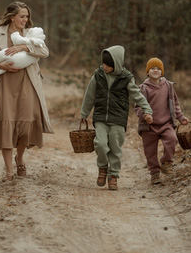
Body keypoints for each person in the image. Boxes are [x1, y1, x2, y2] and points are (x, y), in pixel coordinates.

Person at [0, 2, 54, 182]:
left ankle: (19, 158)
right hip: (5, 84)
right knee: (6, 124)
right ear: (12, 17)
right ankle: (9, 171)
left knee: (26, 126)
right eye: (22, 16)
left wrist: (23, 47)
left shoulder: (30, 34)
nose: (25, 20)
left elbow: (45, 51)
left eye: (27, 16)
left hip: (27, 82)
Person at [80, 45, 153, 191]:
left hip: (118, 117)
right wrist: (84, 113)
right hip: (100, 116)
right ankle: (102, 168)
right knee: (100, 144)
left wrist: (147, 109)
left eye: (108, 65)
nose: (104, 66)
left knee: (115, 147)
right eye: (103, 64)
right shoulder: (98, 75)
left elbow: (137, 95)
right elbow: (90, 94)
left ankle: (113, 175)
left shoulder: (126, 78)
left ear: (116, 64)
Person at [135, 57, 188, 185]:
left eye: (158, 69)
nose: (155, 70)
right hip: (149, 126)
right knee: (150, 151)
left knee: (172, 139)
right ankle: (154, 174)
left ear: (162, 72)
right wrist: (144, 116)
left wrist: (180, 117)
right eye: (152, 68)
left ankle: (166, 162)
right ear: (147, 72)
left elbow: (175, 104)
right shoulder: (143, 88)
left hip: (166, 123)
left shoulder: (168, 86)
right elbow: (138, 107)